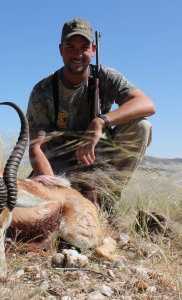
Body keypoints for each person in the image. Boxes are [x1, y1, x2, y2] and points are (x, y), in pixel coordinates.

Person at [26, 18, 156, 207]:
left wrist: (100, 121)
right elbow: (36, 148)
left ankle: (107, 204)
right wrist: (54, 186)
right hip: (60, 162)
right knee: (34, 203)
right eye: (70, 47)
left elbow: (147, 104)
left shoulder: (106, 76)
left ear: (93, 50)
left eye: (84, 47)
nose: (77, 54)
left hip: (99, 154)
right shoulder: (43, 90)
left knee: (141, 127)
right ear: (61, 49)